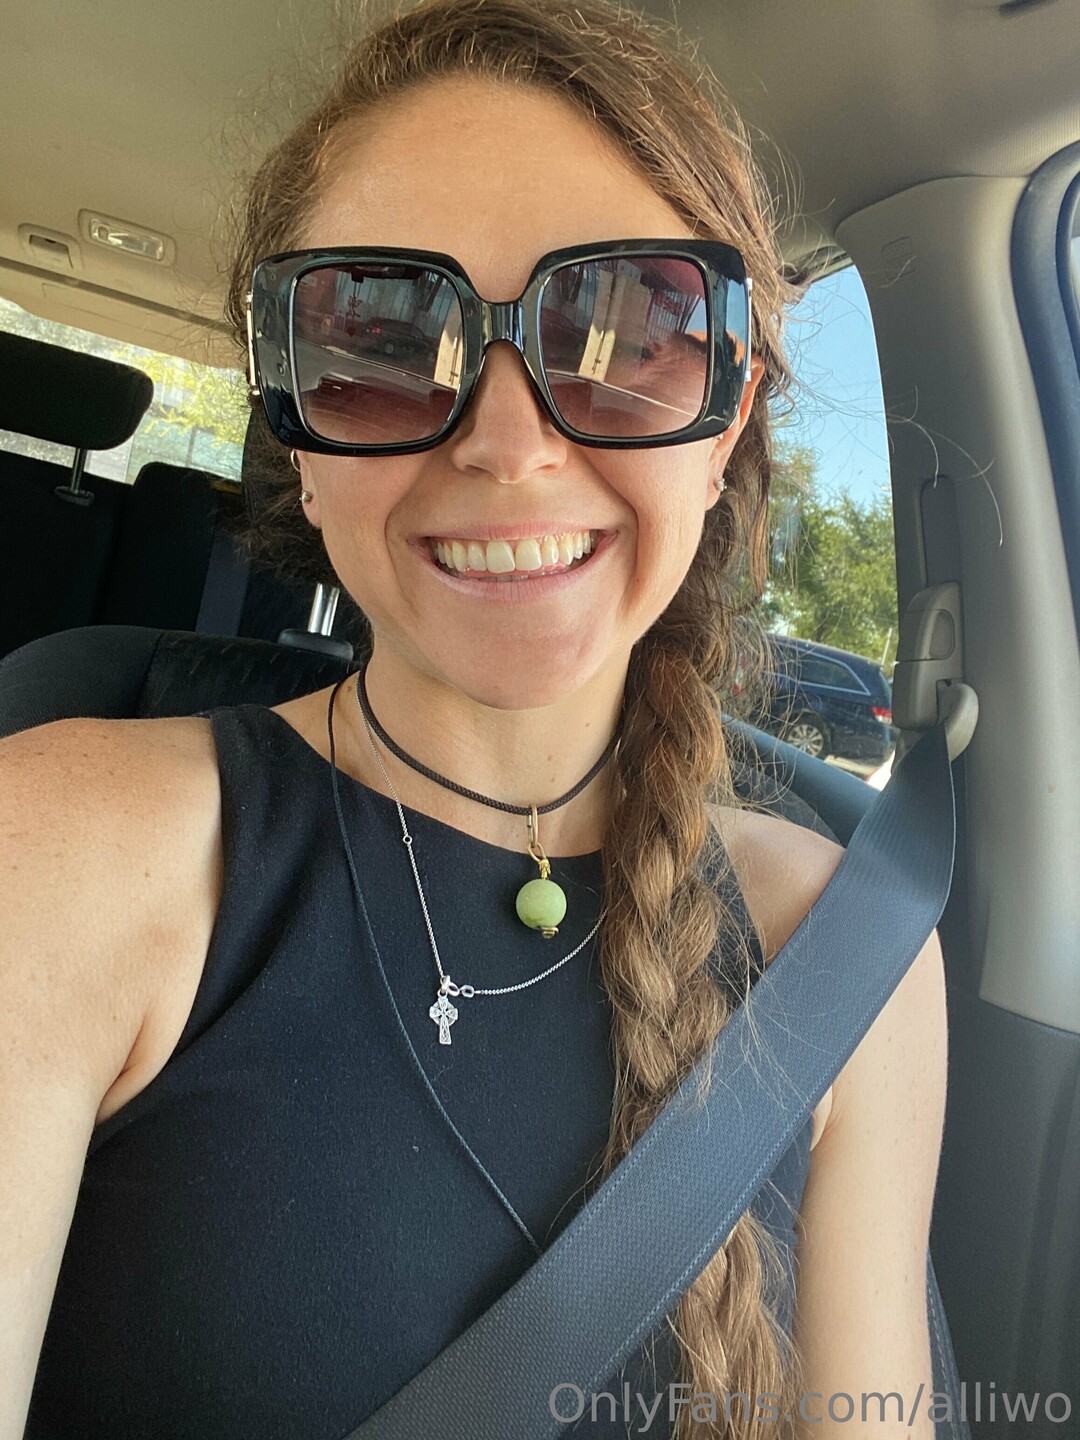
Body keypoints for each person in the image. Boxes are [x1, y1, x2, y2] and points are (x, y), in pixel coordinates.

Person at [0, 1, 948, 1437]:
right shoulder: (62, 849)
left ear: (728, 419)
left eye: (633, 333)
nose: (510, 447)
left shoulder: (851, 954)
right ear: (294, 434)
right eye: (379, 343)